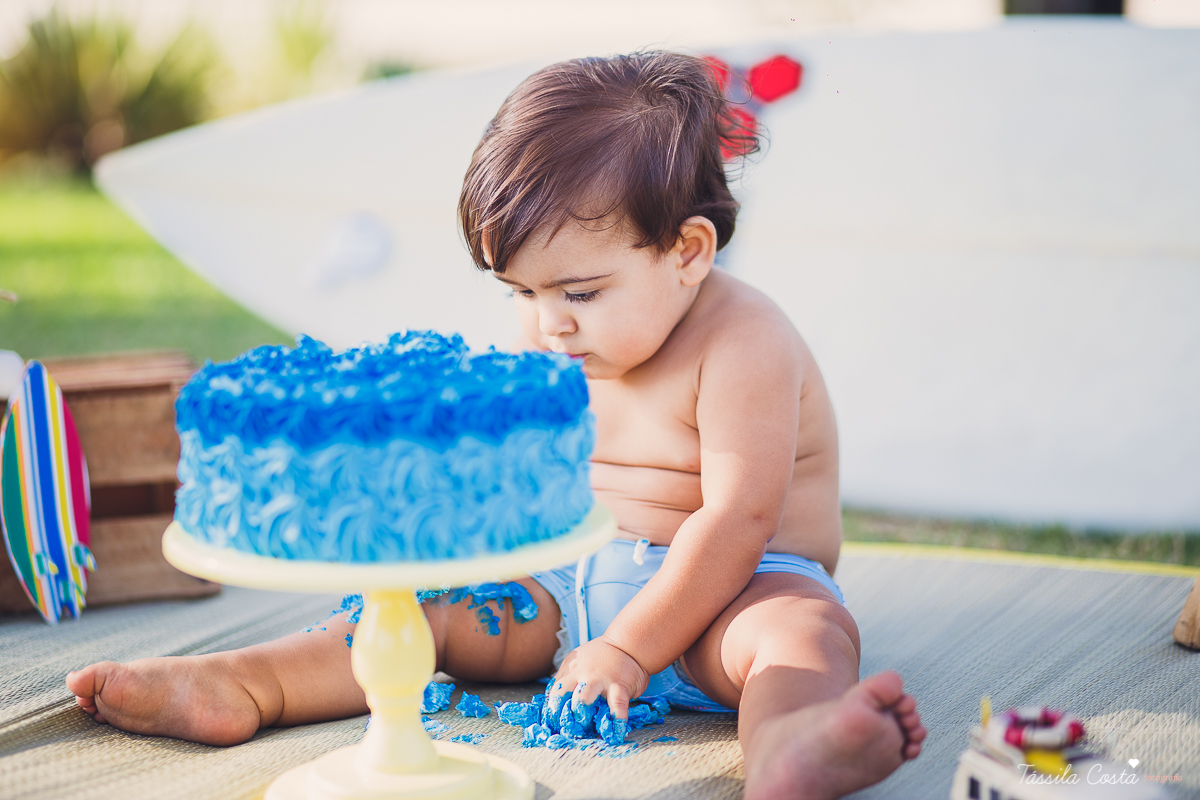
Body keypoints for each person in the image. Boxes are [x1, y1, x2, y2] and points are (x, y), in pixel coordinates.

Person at [67, 51, 924, 800]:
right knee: (412, 611)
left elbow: (737, 521)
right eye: (522, 292)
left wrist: (630, 649)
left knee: (800, 637)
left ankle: (789, 749)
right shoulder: (560, 334)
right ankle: (243, 684)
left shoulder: (745, 342)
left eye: (579, 293)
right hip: (559, 592)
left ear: (689, 252)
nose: (550, 324)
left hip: (728, 597)